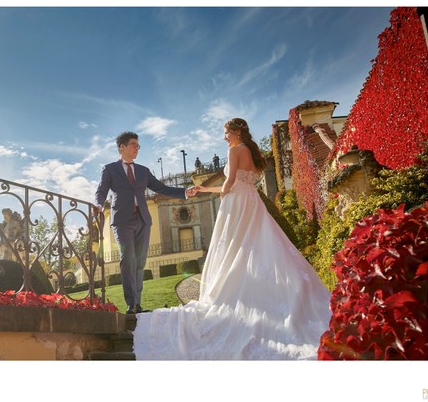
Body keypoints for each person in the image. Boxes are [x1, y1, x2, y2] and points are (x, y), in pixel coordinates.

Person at [133, 118, 332, 360]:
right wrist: (205, 190)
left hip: (236, 204)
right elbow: (239, 183)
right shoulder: (250, 151)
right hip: (251, 201)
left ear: (236, 132)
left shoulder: (235, 149)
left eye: (226, 133)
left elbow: (228, 184)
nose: (224, 137)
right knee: (259, 244)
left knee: (234, 247)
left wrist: (212, 192)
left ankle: (238, 290)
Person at [94, 132, 196, 315]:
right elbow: (101, 190)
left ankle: (137, 304)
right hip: (122, 221)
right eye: (133, 145)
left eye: (138, 146)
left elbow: (161, 188)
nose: (136, 148)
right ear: (122, 147)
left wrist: (184, 192)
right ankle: (131, 303)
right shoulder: (109, 169)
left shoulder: (143, 171)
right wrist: (99, 204)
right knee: (128, 259)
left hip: (143, 220)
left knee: (140, 261)